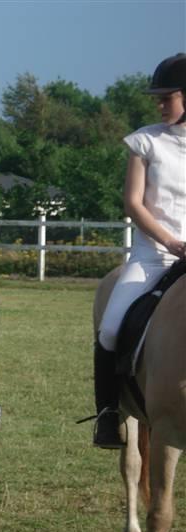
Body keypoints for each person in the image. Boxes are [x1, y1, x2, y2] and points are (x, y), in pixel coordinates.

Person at [93, 53, 186, 448]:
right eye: (159, 98)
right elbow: (134, 203)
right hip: (153, 256)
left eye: (168, 97)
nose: (159, 104)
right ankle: (109, 415)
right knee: (110, 328)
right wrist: (170, 242)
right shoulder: (145, 141)